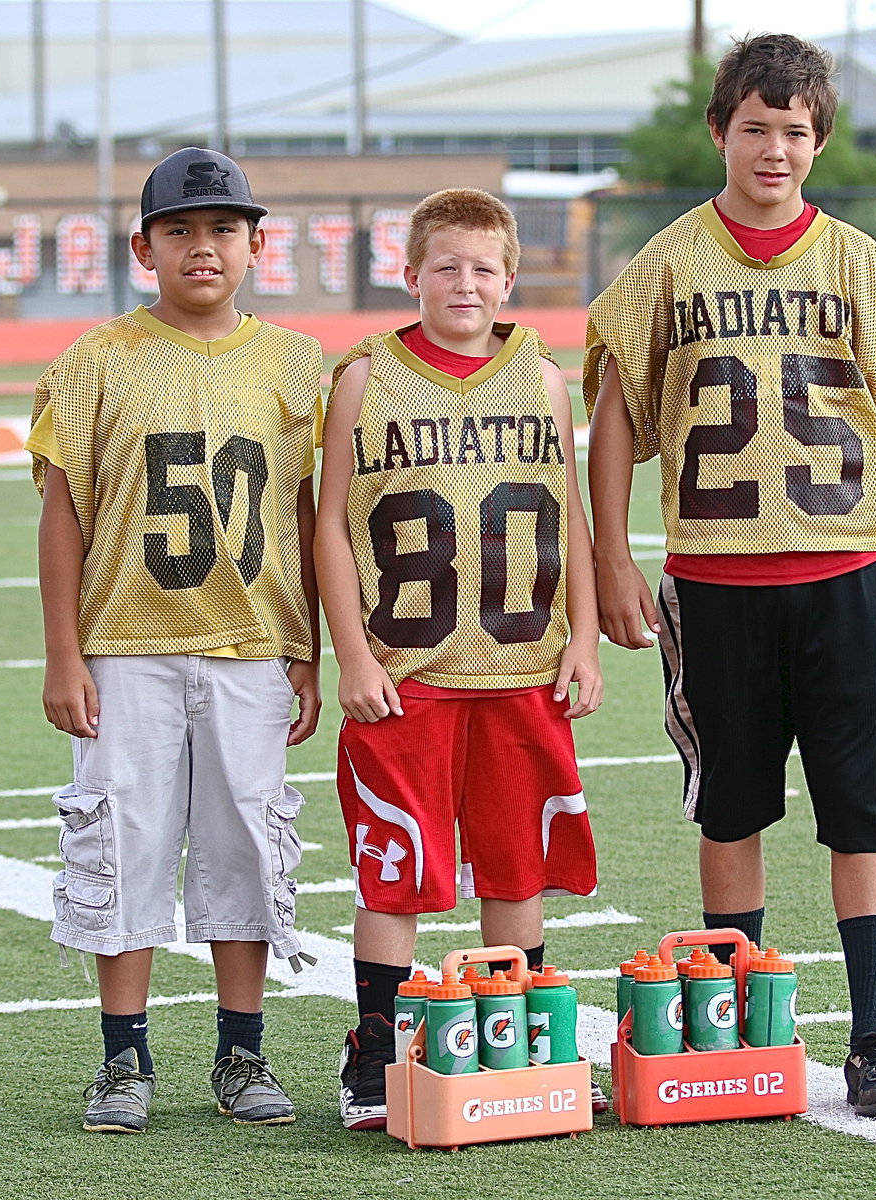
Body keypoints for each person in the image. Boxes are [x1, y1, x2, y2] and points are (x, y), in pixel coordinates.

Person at [584, 35, 876, 1119]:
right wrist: (609, 556)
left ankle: (874, 1039)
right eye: (755, 127)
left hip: (842, 573)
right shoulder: (668, 261)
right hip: (715, 581)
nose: (773, 148)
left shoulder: (857, 263)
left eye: (794, 131)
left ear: (817, 141)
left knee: (862, 815)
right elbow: (610, 418)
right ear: (719, 132)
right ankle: (739, 1021)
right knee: (730, 810)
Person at [27, 146, 322, 1134]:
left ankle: (242, 1050)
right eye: (181, 231)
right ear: (144, 244)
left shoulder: (293, 362)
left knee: (246, 843)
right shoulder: (96, 361)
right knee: (122, 841)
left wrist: (311, 647)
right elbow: (63, 512)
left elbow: (306, 515)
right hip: (125, 646)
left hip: (250, 646)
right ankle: (123, 1058)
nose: (204, 248)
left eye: (223, 230)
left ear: (255, 243)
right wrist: (63, 652)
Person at [315, 187, 603, 1131]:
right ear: (410, 276)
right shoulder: (365, 376)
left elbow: (575, 518)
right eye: (446, 266)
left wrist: (587, 640)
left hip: (522, 667)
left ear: (511, 278)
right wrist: (351, 655)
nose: (465, 283)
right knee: (395, 872)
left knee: (519, 872)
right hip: (409, 676)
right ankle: (375, 1044)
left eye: (483, 268)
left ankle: (517, 1040)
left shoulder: (542, 376)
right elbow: (329, 528)